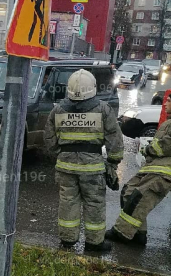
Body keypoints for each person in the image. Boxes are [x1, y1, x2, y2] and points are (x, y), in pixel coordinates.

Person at [44, 69, 124, 252]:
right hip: (93, 168)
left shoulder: (57, 110)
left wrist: (61, 153)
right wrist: (113, 163)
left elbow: (49, 138)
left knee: (68, 202)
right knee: (94, 203)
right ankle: (94, 242)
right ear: (93, 87)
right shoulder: (103, 109)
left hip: (65, 166)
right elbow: (115, 138)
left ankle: (67, 241)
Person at [106, 94, 171, 246]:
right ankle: (138, 234)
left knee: (139, 199)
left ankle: (121, 232)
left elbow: (166, 146)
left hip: (163, 173)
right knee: (128, 192)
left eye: (169, 101)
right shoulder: (168, 123)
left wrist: (148, 149)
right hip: (151, 169)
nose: (165, 103)